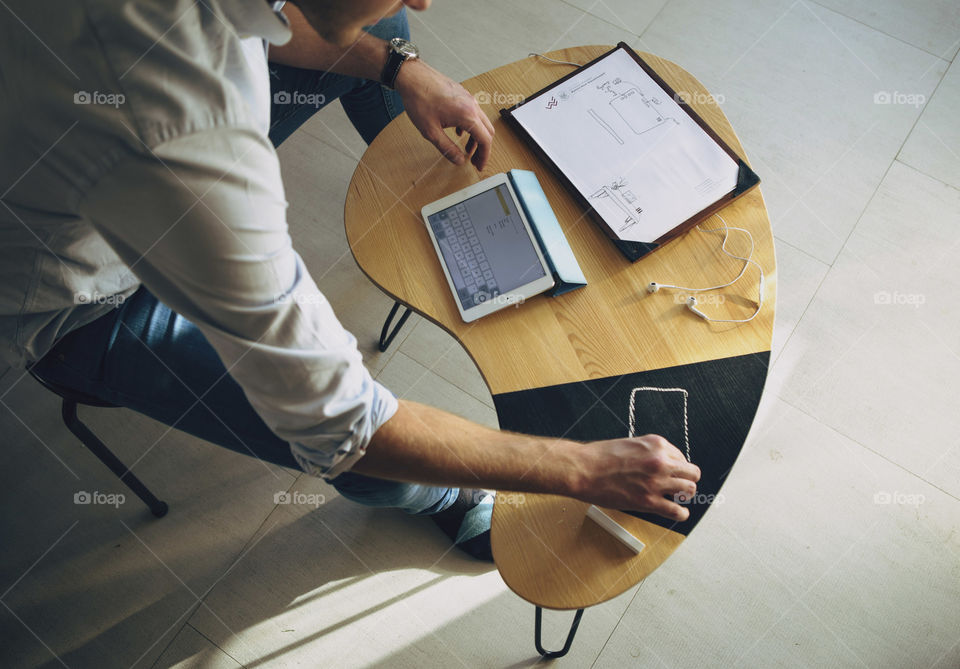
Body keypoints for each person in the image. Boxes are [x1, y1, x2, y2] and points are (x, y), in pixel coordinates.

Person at [0, 0, 700, 561]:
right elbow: (345, 424)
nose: (425, 0)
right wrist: (584, 469)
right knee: (371, 460)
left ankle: (445, 206)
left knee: (383, 35)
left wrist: (399, 69)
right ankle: (445, 497)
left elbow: (277, 24)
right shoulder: (187, 129)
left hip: (87, 152)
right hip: (83, 303)